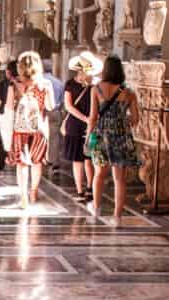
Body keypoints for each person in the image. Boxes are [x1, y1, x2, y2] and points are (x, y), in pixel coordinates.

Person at [86, 53, 141, 225]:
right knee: (119, 179)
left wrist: (88, 136)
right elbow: (135, 119)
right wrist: (122, 122)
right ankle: (117, 217)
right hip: (121, 136)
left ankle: (96, 207)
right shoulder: (129, 92)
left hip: (102, 135)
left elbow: (93, 117)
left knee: (99, 174)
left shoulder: (96, 89)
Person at [6, 51, 54, 207]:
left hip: (20, 129)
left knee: (22, 164)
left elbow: (8, 109)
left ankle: (23, 196)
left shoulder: (14, 85)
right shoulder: (45, 85)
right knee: (36, 162)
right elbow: (50, 106)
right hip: (39, 128)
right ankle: (33, 191)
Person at [61, 52, 101, 201]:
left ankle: (80, 191)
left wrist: (84, 119)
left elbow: (68, 106)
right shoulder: (96, 85)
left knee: (78, 160)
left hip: (76, 124)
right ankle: (90, 189)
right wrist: (89, 119)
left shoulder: (70, 84)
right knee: (88, 158)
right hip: (92, 123)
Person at [41, 58, 65, 176]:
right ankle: (54, 162)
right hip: (56, 111)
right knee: (55, 138)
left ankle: (42, 159)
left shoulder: (40, 81)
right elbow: (63, 100)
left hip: (43, 112)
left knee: (42, 136)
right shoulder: (59, 82)